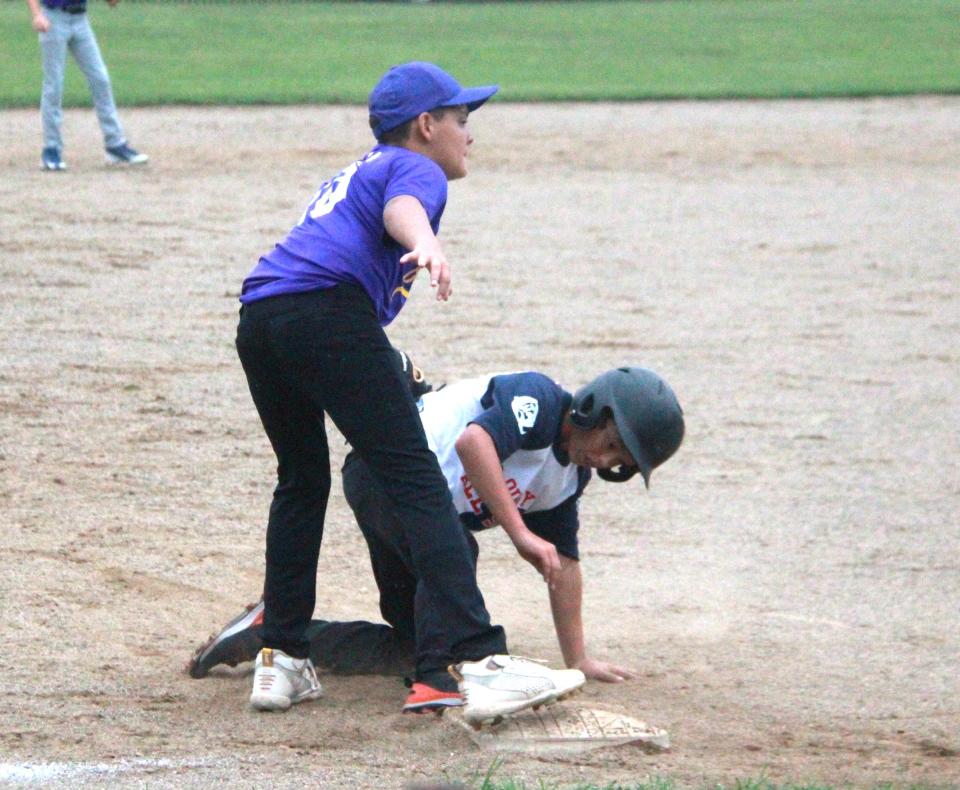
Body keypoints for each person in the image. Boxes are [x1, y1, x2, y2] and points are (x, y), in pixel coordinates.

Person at [230, 61, 586, 725]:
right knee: (416, 477)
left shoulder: (360, 169)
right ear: (425, 126)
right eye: (460, 119)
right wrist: (425, 242)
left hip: (262, 316)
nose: (468, 135)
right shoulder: (412, 167)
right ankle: (474, 661)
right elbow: (405, 209)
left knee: (301, 480)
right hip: (326, 313)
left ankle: (281, 658)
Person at [189, 352, 685, 718]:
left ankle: (269, 632)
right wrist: (518, 533)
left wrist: (578, 657)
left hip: (415, 513)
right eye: (612, 442)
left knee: (415, 641)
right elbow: (474, 443)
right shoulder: (539, 398)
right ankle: (437, 688)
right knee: (455, 550)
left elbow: (565, 564)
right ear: (594, 408)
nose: (606, 459)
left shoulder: (568, 478)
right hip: (380, 474)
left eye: (620, 460)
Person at [26, 0, 148, 171]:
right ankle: (51, 149)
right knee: (54, 85)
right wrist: (37, 15)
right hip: (53, 18)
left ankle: (115, 144)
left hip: (80, 20)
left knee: (100, 79)